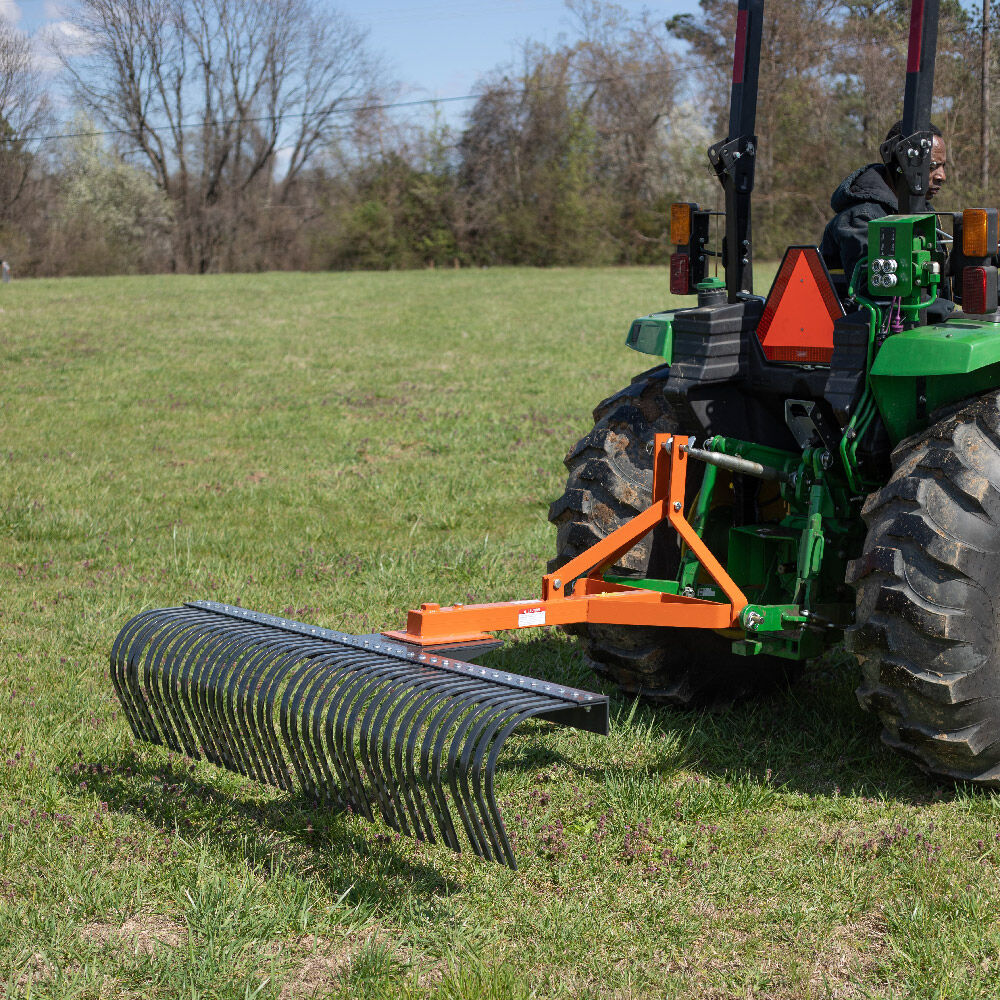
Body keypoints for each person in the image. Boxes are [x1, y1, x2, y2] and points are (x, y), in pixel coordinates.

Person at [820, 121, 948, 281]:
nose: (941, 176)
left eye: (943, 166)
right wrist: (945, 307)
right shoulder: (861, 217)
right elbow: (875, 292)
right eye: (932, 166)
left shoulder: (925, 213)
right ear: (900, 164)